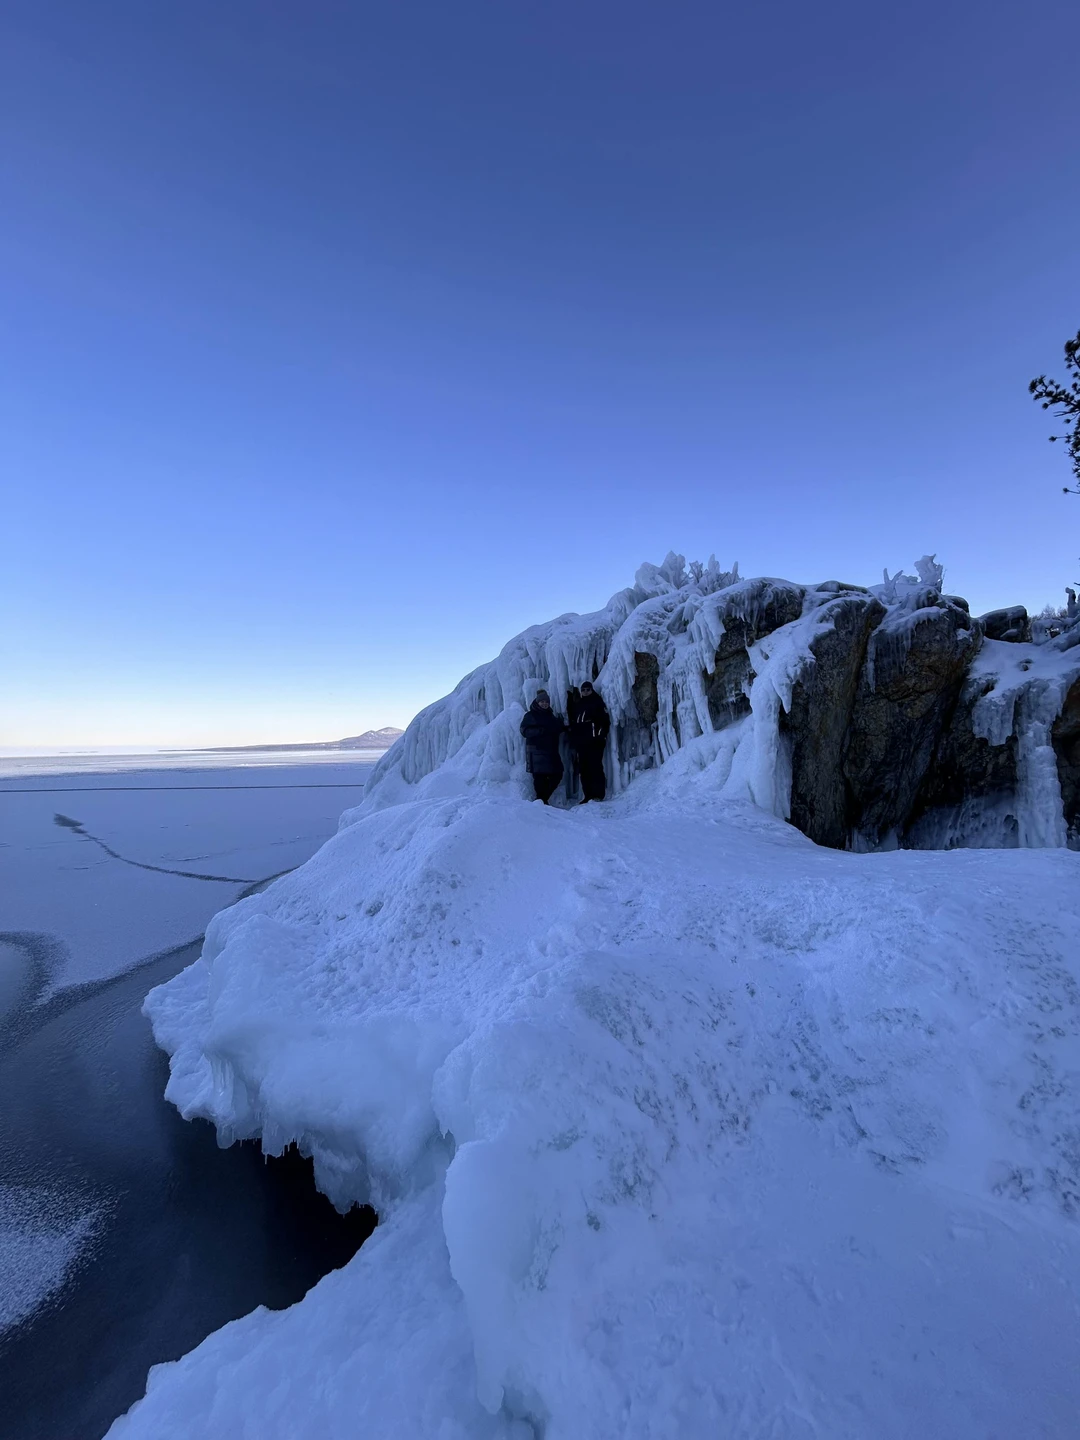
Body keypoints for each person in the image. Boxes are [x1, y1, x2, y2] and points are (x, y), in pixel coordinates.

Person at [520, 689, 565, 803]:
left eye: (546, 702)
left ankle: (542, 800)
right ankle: (541, 800)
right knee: (540, 778)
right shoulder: (531, 715)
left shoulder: (550, 716)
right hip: (536, 751)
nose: (544, 704)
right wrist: (540, 731)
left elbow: (557, 728)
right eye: (542, 702)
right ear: (537, 702)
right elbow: (524, 730)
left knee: (557, 774)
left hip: (550, 751)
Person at [568, 680, 610, 802]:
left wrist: (600, 736)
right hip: (582, 742)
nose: (585, 692)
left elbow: (604, 721)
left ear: (592, 690)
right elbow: (575, 721)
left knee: (595, 767)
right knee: (584, 768)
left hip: (594, 741)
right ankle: (588, 795)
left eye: (588, 689)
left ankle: (598, 794)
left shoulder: (597, 702)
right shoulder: (579, 704)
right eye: (583, 690)